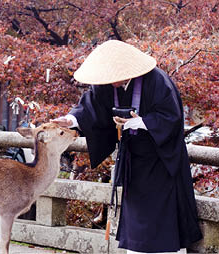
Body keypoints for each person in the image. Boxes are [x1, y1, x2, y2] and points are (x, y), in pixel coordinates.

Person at [53, 40, 202, 253]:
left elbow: (171, 117)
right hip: (133, 162)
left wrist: (141, 122)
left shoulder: (157, 80)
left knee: (160, 219)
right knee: (136, 223)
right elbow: (89, 109)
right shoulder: (105, 83)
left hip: (159, 162)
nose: (111, 81)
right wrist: (71, 120)